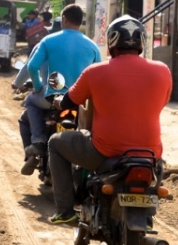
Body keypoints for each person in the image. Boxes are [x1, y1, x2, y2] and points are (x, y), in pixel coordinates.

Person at [45, 15, 171, 224]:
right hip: (149, 154)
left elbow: (69, 101)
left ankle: (65, 211)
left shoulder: (95, 71)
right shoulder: (163, 70)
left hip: (104, 151)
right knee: (158, 166)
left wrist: (59, 101)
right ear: (142, 41)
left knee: (55, 143)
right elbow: (162, 103)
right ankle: (149, 209)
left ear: (111, 41)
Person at [19, 5, 101, 176]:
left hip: (52, 99)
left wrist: (38, 87)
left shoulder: (49, 41)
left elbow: (32, 66)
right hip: (80, 102)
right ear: (81, 22)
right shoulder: (92, 46)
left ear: (64, 19)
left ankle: (38, 143)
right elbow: (98, 75)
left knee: (30, 102)